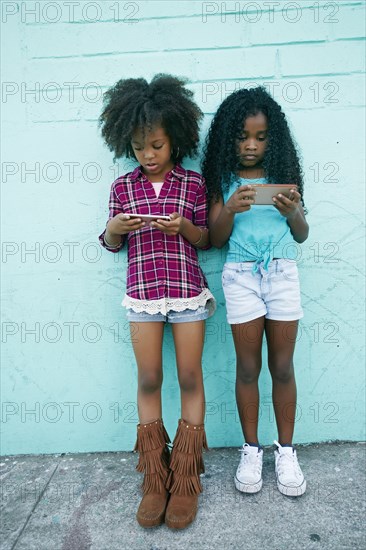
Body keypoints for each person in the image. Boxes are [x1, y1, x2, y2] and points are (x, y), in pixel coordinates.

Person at [98, 74, 215, 529]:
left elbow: (205, 239)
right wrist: (117, 229)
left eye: (157, 145)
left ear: (176, 140)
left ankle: (185, 481)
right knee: (149, 376)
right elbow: (108, 242)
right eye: (140, 146)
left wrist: (182, 227)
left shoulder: (192, 183)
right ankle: (155, 478)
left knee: (189, 374)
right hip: (143, 294)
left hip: (186, 290)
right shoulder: (123, 188)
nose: (148, 155)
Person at [202, 86, 309, 497]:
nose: (251, 145)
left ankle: (286, 450)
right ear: (229, 136)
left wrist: (292, 211)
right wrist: (229, 207)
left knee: (282, 367)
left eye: (261, 137)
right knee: (248, 368)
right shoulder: (222, 179)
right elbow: (214, 236)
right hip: (241, 277)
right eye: (243, 136)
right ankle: (251, 449)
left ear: (273, 139)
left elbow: (301, 234)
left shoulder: (285, 176)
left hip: (282, 275)